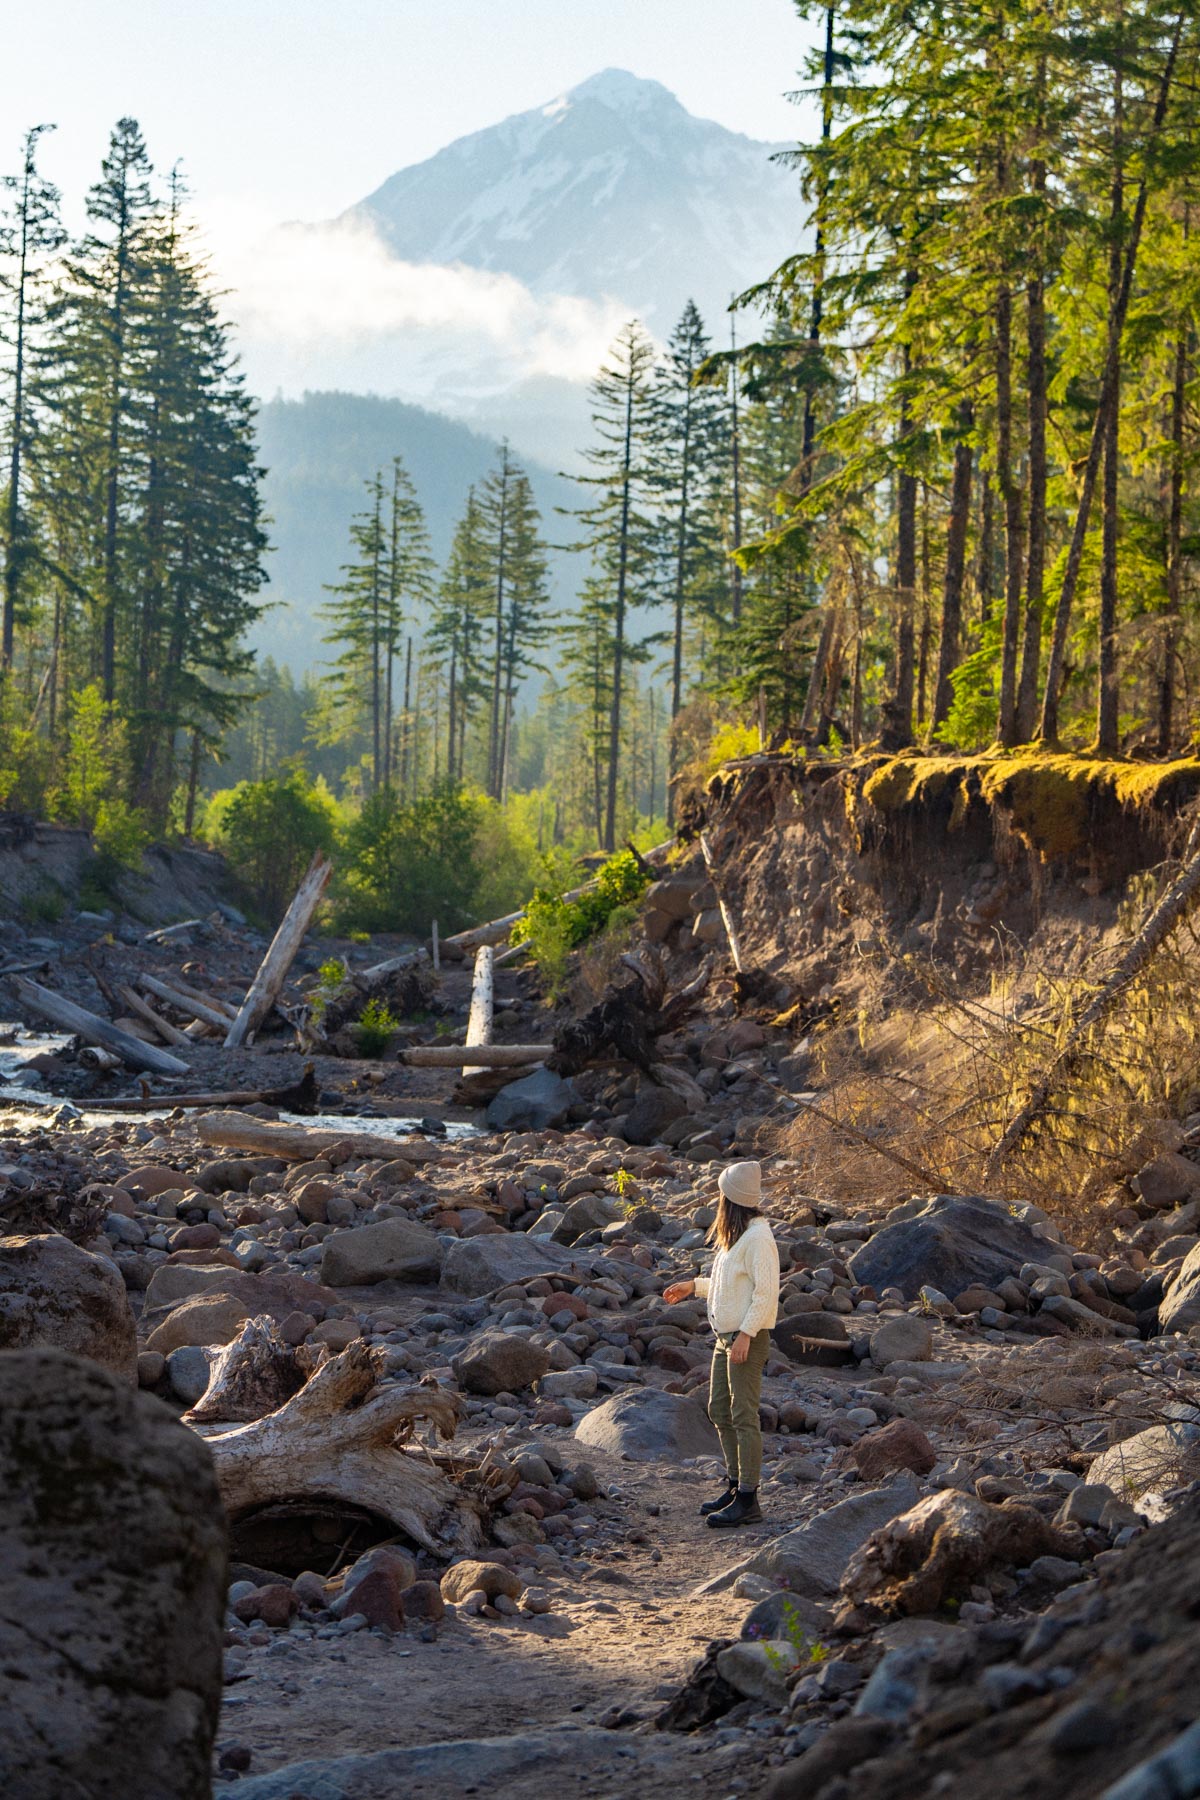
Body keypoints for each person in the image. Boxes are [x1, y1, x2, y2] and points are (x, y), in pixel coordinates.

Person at [663, 1159, 780, 1527]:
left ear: (731, 1199)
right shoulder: (738, 1236)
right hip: (723, 1338)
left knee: (744, 1415)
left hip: (746, 1338)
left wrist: (746, 1334)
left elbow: (766, 1294)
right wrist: (694, 1287)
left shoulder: (759, 1238)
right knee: (719, 1410)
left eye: (721, 1194)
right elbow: (733, 1289)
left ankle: (749, 1499)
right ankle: (734, 1487)